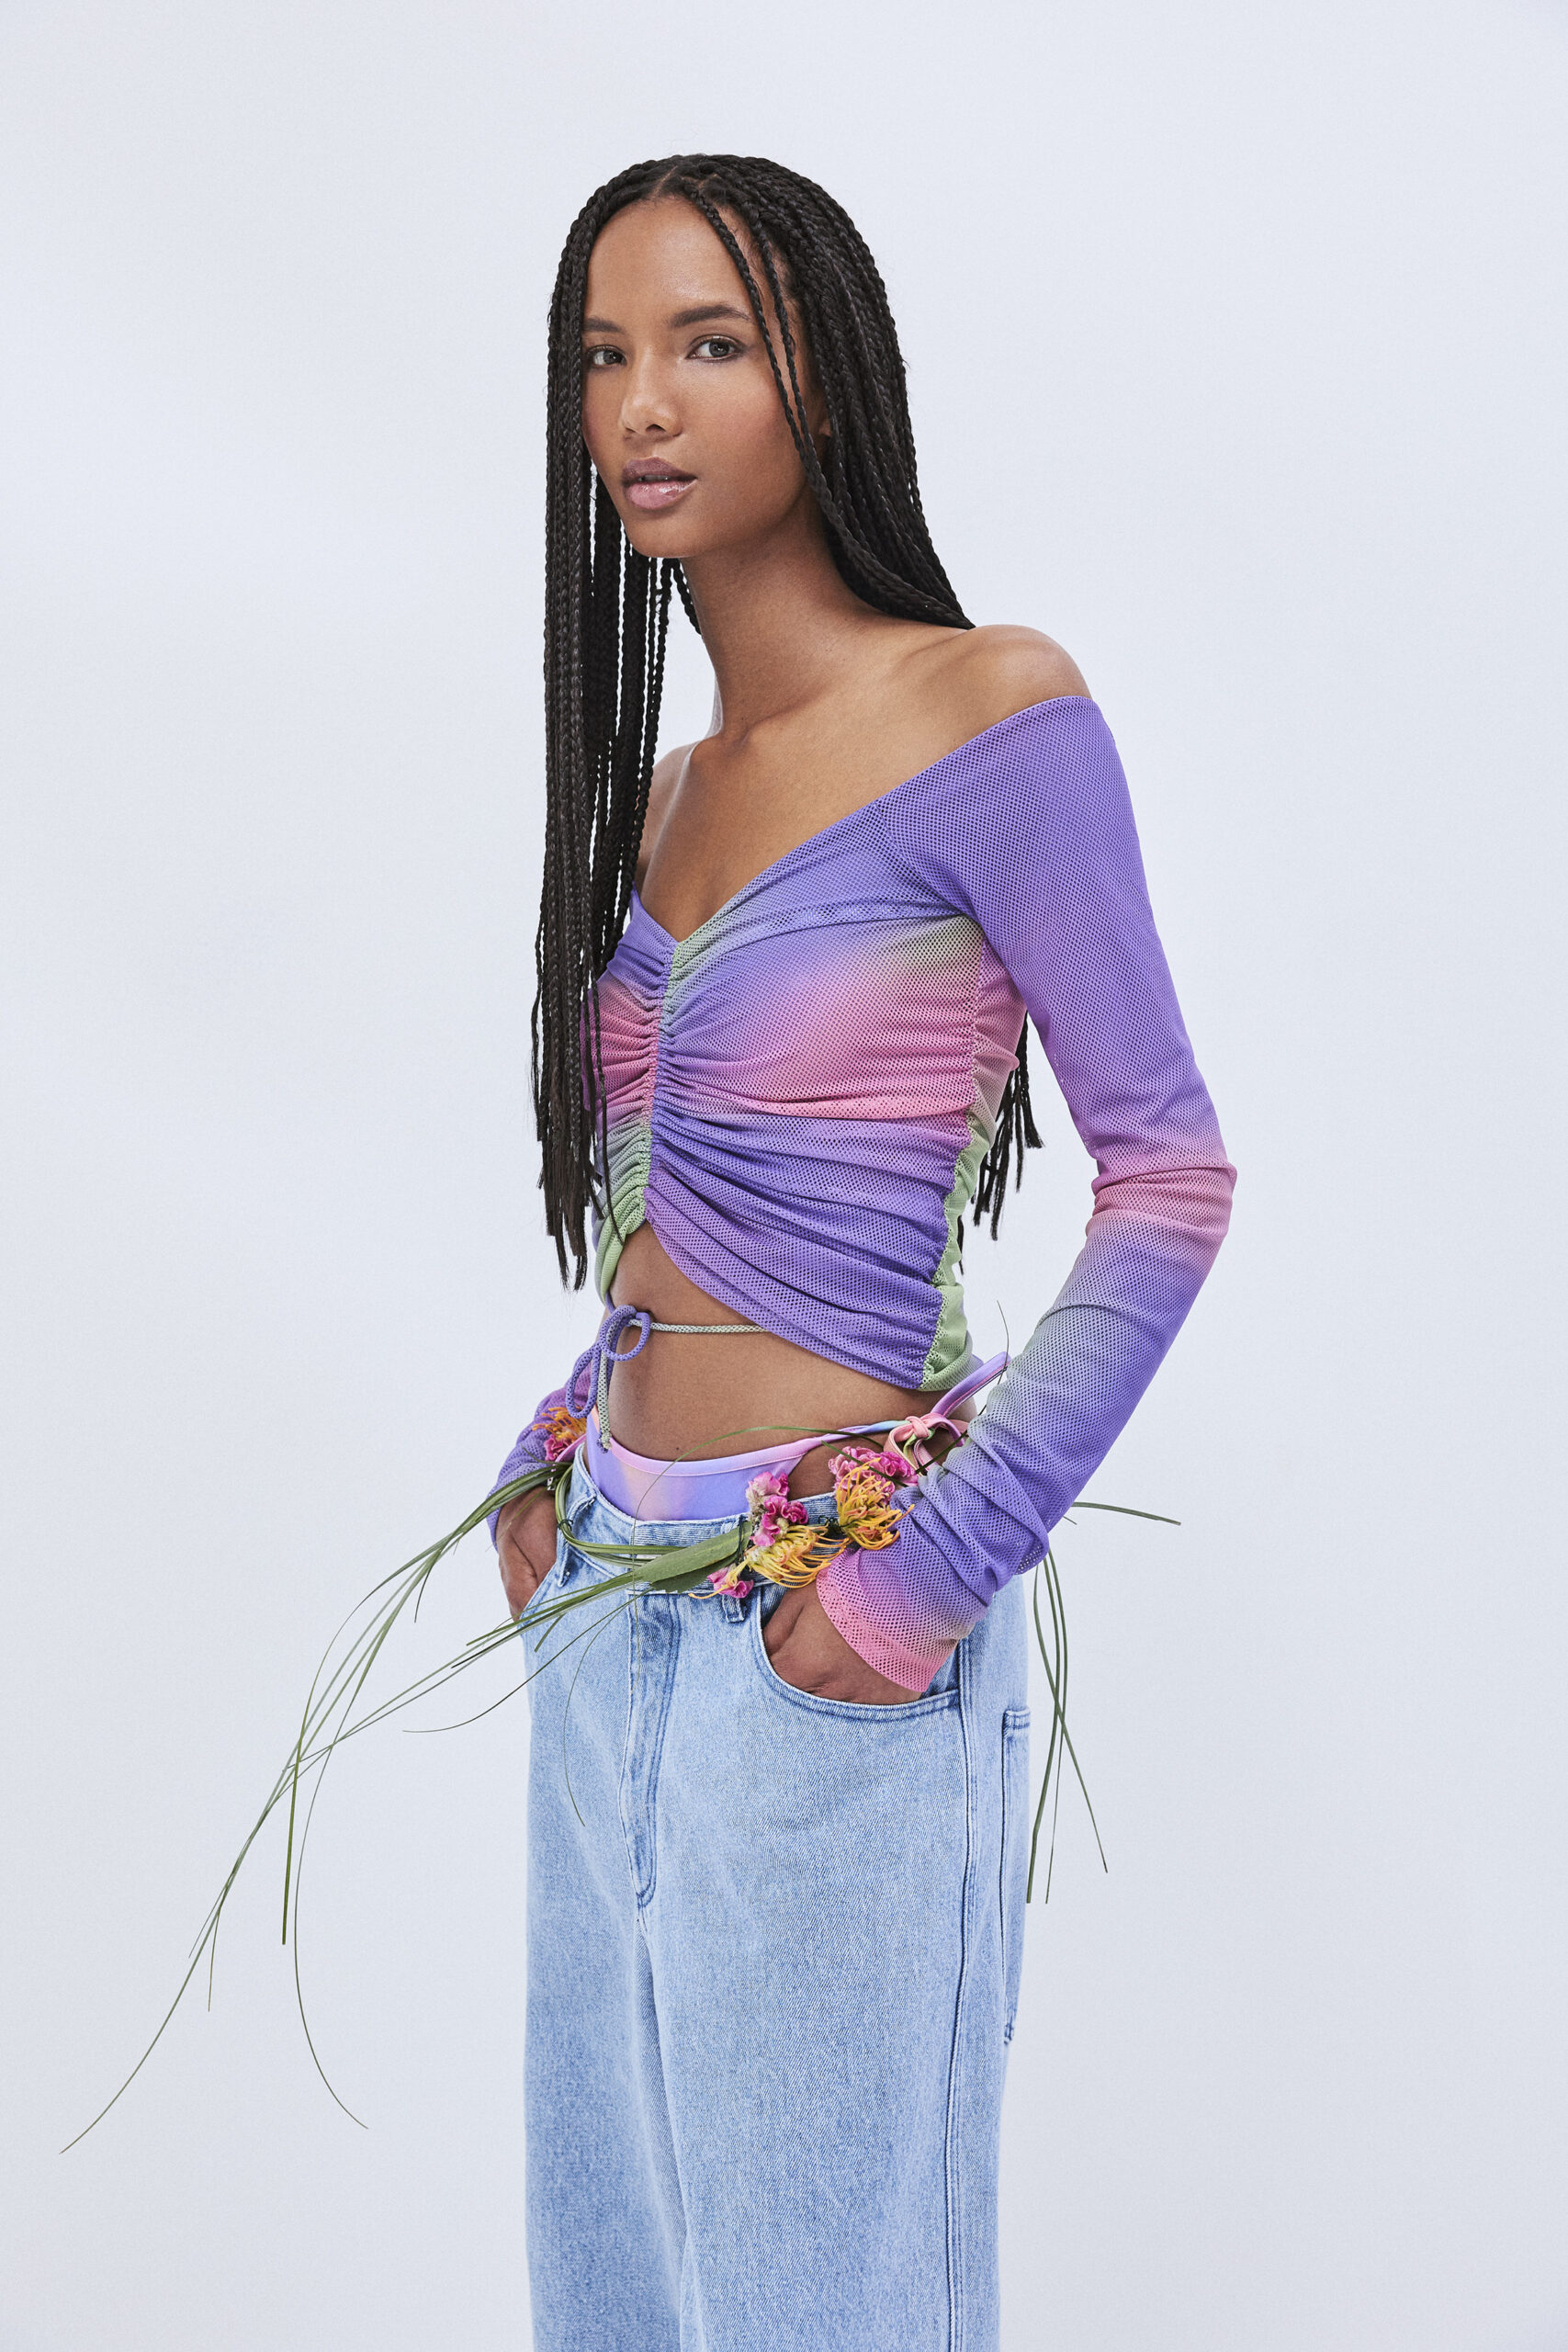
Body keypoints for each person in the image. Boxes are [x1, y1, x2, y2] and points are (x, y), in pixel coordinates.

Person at [491, 153, 1235, 2352]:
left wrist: (923, 1575)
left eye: (705, 342)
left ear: (822, 368)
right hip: (604, 1598)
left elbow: (1168, 1179)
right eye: (604, 354)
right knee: (613, 2288)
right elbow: (679, 1190)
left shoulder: (989, 713)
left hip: (828, 1602)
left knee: (828, 2303)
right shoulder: (660, 793)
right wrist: (552, 1448)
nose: (641, 403)